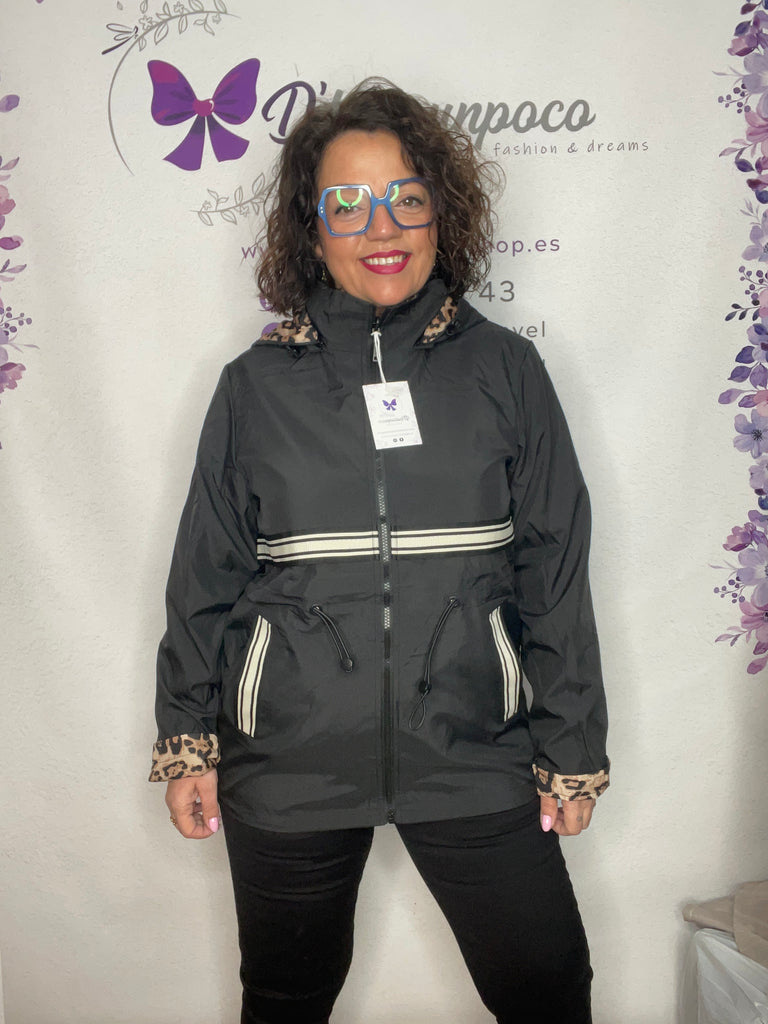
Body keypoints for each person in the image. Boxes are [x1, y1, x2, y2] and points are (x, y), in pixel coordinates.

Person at [150, 78, 609, 1024]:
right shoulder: (254, 387)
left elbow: (555, 570)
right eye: (347, 204)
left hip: (476, 751)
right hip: (290, 762)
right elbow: (205, 574)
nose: (381, 226)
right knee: (286, 999)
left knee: (547, 990)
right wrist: (186, 738)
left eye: (406, 196)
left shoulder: (507, 369)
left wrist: (572, 745)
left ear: (443, 211)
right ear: (311, 229)